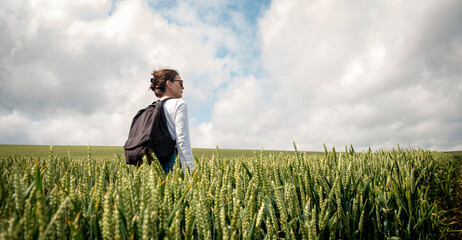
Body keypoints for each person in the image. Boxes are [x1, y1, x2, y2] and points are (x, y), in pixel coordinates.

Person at [149, 68, 195, 173]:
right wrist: (190, 172)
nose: (183, 87)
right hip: (171, 160)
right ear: (169, 84)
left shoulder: (153, 106)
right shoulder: (179, 104)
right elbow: (182, 140)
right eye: (180, 82)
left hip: (153, 163)